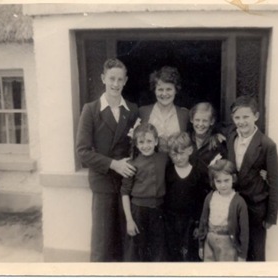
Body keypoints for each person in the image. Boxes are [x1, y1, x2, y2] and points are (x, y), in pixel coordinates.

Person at [76, 58, 139, 262]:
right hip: (103, 182)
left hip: (126, 184)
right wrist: (114, 164)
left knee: (126, 239)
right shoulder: (91, 110)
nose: (115, 84)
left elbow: (137, 146)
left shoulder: (132, 110)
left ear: (126, 80)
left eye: (120, 79)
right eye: (112, 78)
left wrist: (129, 162)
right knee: (102, 241)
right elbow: (83, 151)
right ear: (103, 78)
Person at [227, 95, 278, 261]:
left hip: (256, 208)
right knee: (235, 251)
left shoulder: (266, 145)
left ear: (256, 116)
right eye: (237, 117)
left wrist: (271, 216)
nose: (241, 121)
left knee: (255, 253)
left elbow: (275, 182)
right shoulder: (232, 138)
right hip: (235, 205)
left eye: (246, 117)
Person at [121, 123, 168, 261]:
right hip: (138, 212)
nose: (145, 145)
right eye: (141, 142)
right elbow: (124, 193)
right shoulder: (132, 164)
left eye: (149, 141)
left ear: (156, 141)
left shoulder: (164, 158)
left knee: (158, 250)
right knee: (138, 251)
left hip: (158, 211)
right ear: (136, 144)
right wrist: (129, 220)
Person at [198, 158, 249, 262]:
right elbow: (203, 222)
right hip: (210, 242)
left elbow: (244, 232)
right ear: (213, 181)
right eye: (218, 181)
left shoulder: (239, 202)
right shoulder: (210, 197)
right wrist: (201, 245)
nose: (223, 185)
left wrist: (242, 255)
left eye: (226, 180)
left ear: (233, 178)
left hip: (228, 244)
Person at [164, 132, 204, 262]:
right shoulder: (168, 172)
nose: (178, 158)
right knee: (172, 252)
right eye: (174, 155)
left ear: (190, 150)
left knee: (189, 254)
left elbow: (200, 200)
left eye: (181, 153)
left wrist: (198, 224)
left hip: (190, 222)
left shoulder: (197, 173)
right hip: (171, 220)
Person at [139, 66, 189, 152]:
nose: (164, 93)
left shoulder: (184, 114)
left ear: (176, 90)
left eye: (169, 89)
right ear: (154, 90)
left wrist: (218, 133)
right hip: (150, 164)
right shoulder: (142, 112)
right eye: (160, 89)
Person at [189, 102, 228, 196]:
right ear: (191, 120)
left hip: (209, 194)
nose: (200, 124)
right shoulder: (186, 140)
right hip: (188, 193)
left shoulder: (218, 144)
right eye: (197, 120)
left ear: (212, 121)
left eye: (205, 121)